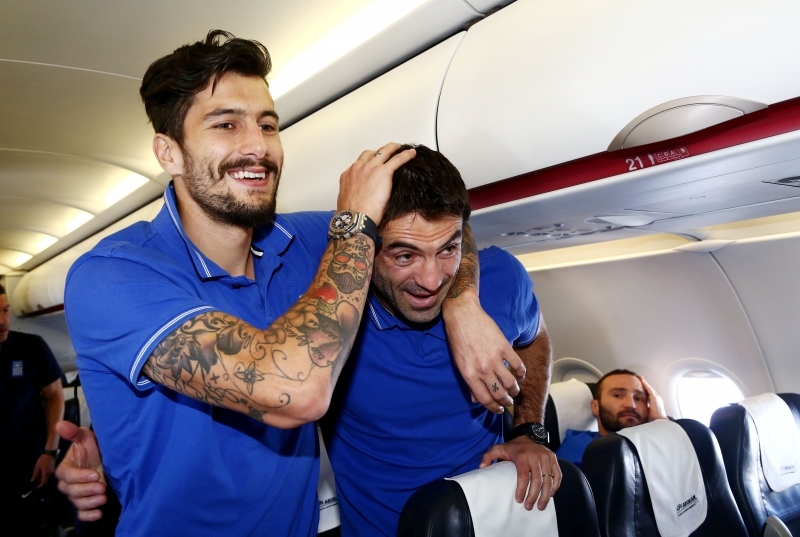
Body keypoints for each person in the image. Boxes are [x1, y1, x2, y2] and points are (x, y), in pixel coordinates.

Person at [60, 31, 523, 537]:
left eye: (267, 124)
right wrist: (354, 225)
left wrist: (462, 306)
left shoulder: (303, 244)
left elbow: (442, 221)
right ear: (168, 153)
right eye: (226, 124)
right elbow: (294, 390)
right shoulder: (113, 275)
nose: (257, 146)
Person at [322, 144, 559, 536]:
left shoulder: (502, 278)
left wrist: (527, 430)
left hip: (489, 524)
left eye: (448, 248)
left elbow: (535, 338)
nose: (432, 281)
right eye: (405, 256)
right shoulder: (332, 311)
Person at [0, 284, 65, 535]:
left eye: (6, 310)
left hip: (28, 467)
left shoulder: (31, 347)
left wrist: (50, 451)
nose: (3, 321)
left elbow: (56, 396)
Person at [556, 369, 668, 468]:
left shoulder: (656, 442)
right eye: (617, 395)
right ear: (595, 407)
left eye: (638, 398)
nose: (631, 405)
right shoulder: (581, 446)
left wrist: (661, 421)